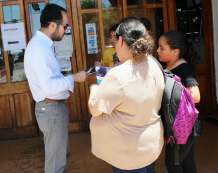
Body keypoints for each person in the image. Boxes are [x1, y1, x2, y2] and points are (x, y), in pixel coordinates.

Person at [88, 18, 165, 173]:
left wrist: (94, 89)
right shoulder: (154, 64)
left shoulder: (119, 75)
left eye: (115, 42)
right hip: (149, 143)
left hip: (128, 151)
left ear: (121, 40)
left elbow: (95, 109)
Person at [24, 4, 88, 173]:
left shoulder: (45, 45)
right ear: (53, 25)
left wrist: (72, 76)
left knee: (60, 156)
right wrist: (74, 78)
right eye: (65, 26)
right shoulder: (39, 49)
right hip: (51, 107)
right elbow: (48, 86)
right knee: (56, 163)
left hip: (54, 107)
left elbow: (52, 78)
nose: (66, 30)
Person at [157, 30, 201, 173]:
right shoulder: (169, 66)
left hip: (185, 125)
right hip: (183, 125)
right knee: (187, 163)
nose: (158, 51)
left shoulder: (183, 68)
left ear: (175, 51)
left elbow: (196, 96)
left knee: (173, 163)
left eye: (162, 48)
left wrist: (173, 92)